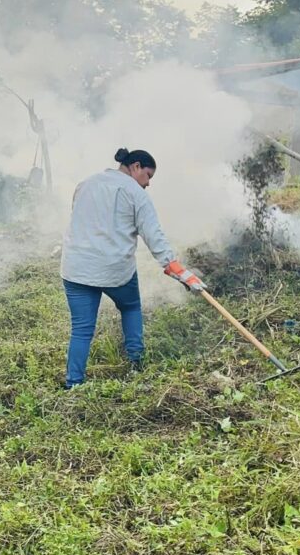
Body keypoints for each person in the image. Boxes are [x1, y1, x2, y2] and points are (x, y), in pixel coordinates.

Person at [59, 148, 203, 388]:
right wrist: (179, 272)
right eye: (148, 176)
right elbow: (154, 237)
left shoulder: (86, 184)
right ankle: (136, 361)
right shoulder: (136, 194)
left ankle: (73, 384)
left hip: (76, 267)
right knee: (131, 306)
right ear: (136, 167)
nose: (148, 184)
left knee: (81, 329)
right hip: (113, 268)